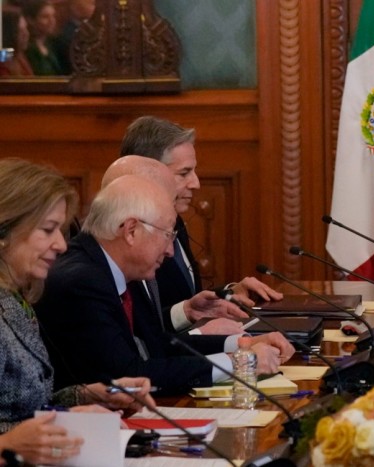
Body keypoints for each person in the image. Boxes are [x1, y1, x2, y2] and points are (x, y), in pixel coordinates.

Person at [35, 175, 293, 395]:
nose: (171, 251)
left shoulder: (114, 267)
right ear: (131, 231)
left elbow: (157, 345)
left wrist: (239, 345)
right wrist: (240, 364)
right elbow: (130, 374)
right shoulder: (82, 282)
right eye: (168, 235)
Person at [0, 159, 155, 465]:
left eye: (61, 230)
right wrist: (6, 445)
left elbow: (20, 406)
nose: (61, 244)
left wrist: (86, 396)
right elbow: (15, 429)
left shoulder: (16, 301)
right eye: (48, 230)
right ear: (4, 231)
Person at [119, 116, 284, 334]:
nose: (196, 184)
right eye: (184, 173)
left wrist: (228, 293)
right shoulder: (129, 235)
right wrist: (188, 315)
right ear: (149, 174)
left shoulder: (175, 219)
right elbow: (142, 328)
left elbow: (185, 300)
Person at [52, 0, 95, 74]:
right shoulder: (68, 34)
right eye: (91, 4)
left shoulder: (86, 28)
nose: (94, 7)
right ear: (76, 8)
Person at [22, 0, 61, 75]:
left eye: (53, 16)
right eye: (45, 17)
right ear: (31, 20)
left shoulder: (53, 43)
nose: (52, 21)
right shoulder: (26, 47)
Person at [0, 8, 34, 76]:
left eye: (26, 28)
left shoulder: (17, 55)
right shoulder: (3, 59)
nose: (26, 34)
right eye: (20, 31)